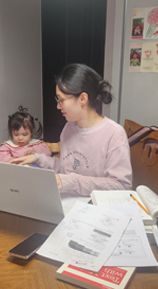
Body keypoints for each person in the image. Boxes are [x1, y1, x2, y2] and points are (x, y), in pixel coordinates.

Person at [9, 64, 132, 197]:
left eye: (61, 100)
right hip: (68, 203)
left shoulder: (114, 133)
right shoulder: (69, 128)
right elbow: (66, 168)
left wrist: (73, 182)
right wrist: (38, 158)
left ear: (82, 99)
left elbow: (121, 186)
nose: (58, 106)